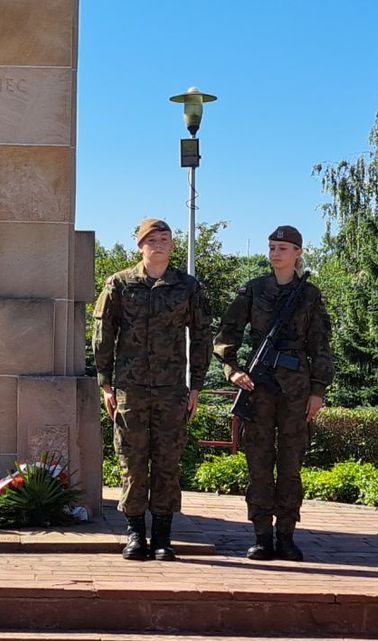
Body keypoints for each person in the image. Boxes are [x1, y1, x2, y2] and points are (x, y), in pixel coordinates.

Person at [212, 225, 334, 562]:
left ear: (297, 253)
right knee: (259, 463)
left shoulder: (309, 295)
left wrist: (318, 390)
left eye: (283, 248)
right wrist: (233, 370)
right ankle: (262, 536)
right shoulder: (253, 290)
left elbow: (320, 345)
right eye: (272, 247)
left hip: (296, 390)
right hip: (259, 386)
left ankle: (287, 535)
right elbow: (226, 334)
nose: (276, 253)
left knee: (291, 463)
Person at [93, 219, 212, 561]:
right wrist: (106, 383)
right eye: (151, 240)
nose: (159, 244)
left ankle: (162, 536)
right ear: (140, 246)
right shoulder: (119, 284)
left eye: (164, 239)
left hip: (172, 388)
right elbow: (103, 336)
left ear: (172, 246)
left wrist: (196, 386)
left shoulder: (187, 287)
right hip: (130, 388)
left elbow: (201, 337)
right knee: (131, 462)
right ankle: (134, 534)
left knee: (167, 463)